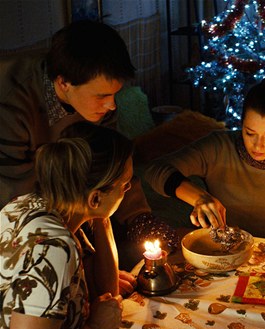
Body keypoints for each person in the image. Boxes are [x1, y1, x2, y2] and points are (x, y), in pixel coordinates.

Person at [0, 20, 178, 265]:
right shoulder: (11, 103)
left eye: (115, 93)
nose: (112, 105)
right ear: (64, 83)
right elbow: (17, 198)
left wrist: (139, 218)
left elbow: (111, 164)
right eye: (102, 95)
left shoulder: (100, 108)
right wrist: (82, 256)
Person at [0, 123, 132, 329]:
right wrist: (95, 327)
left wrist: (101, 216)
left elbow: (108, 293)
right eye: (125, 185)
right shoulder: (54, 247)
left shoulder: (34, 204)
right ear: (95, 198)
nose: (127, 192)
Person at [145, 72, 265, 239]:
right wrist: (199, 197)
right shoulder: (218, 148)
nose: (258, 145)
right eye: (250, 133)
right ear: (241, 124)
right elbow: (155, 170)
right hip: (221, 250)